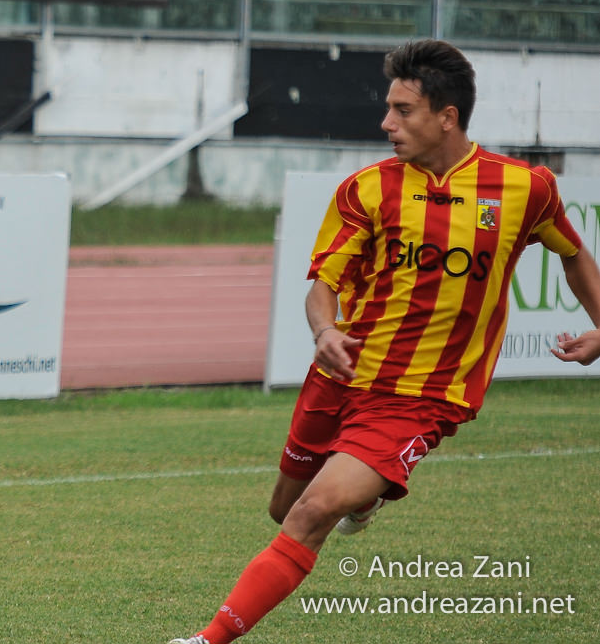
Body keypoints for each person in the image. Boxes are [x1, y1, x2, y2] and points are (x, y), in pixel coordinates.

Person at [167, 39, 600, 644]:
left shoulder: (525, 189)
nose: (386, 123)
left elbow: (574, 255)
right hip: (342, 377)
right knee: (284, 508)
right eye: (388, 108)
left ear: (446, 116)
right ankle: (365, 500)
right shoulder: (366, 189)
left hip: (422, 395)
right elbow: (322, 286)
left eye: (403, 110)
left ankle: (204, 640)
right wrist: (324, 330)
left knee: (312, 513)